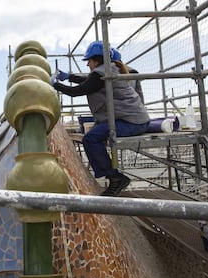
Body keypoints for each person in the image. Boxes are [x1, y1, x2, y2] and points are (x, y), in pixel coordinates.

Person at [52, 40, 150, 196]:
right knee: (93, 136)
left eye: (88, 61)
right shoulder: (109, 70)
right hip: (135, 120)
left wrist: (55, 85)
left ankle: (116, 178)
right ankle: (114, 176)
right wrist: (69, 77)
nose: (87, 64)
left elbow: (78, 90)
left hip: (131, 122)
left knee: (90, 139)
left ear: (96, 59)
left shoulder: (100, 74)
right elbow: (88, 81)